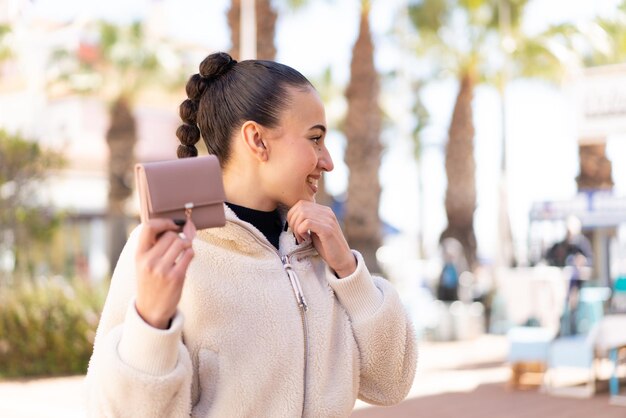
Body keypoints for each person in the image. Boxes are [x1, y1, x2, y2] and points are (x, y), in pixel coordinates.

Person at [85, 52, 417, 417]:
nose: (328, 161)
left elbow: (391, 383)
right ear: (257, 140)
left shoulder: (322, 252)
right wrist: (151, 322)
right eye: (315, 139)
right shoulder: (166, 252)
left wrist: (349, 272)